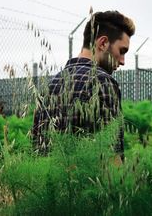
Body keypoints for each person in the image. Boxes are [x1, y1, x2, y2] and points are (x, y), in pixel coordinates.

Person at [32, 10, 135, 160]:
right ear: (103, 43)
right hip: (88, 183)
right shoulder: (103, 82)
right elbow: (112, 158)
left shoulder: (50, 85)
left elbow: (36, 151)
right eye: (122, 51)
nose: (123, 61)